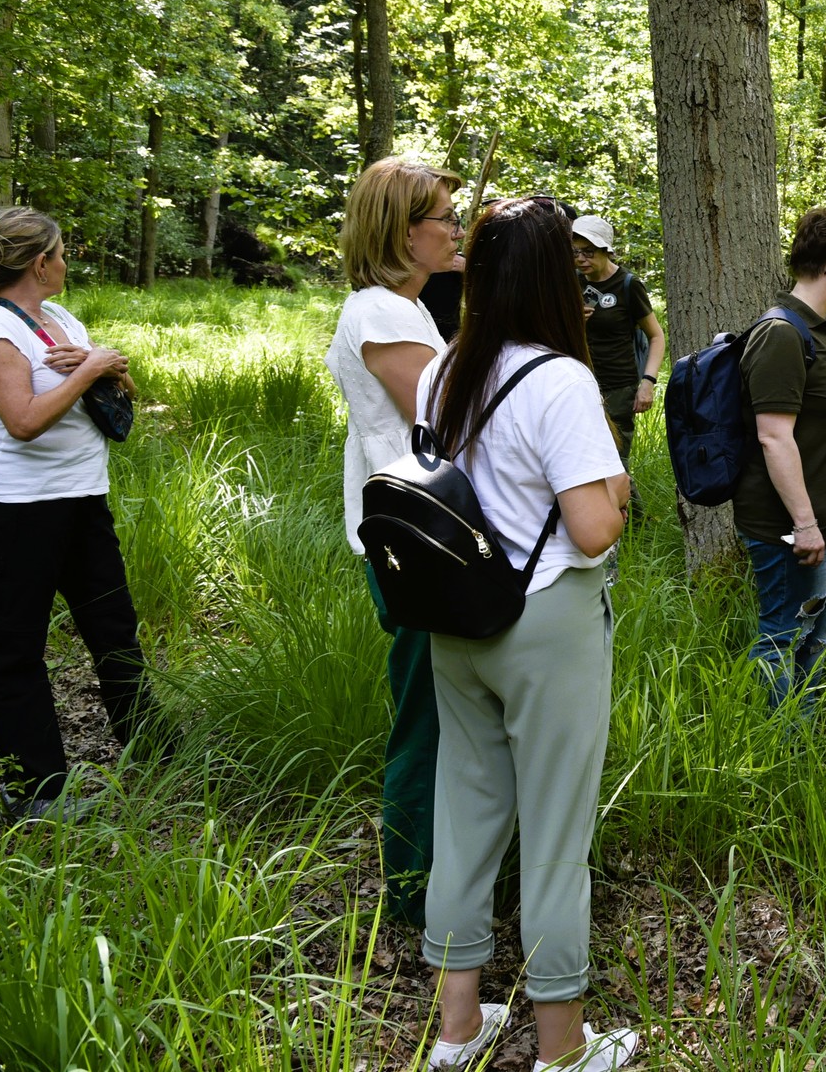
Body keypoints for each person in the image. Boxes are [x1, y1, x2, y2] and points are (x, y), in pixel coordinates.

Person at [415, 196, 635, 1072]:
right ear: (554, 278)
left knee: (464, 818)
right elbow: (591, 527)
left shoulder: (445, 367)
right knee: (555, 836)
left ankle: (457, 1033)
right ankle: (562, 1049)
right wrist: (616, 491)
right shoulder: (558, 379)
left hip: (456, 613)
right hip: (546, 619)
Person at [0, 206, 163, 823]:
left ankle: (156, 749)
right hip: (15, 510)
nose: (66, 264)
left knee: (114, 627)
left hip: (82, 497)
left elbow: (118, 391)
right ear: (39, 263)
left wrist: (106, 368)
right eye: (60, 255)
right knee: (13, 647)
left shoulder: (59, 317)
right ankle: (37, 792)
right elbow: (25, 421)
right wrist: (88, 367)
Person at [325, 159, 463, 926]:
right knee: (426, 715)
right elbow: (443, 423)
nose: (454, 230)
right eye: (443, 217)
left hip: (423, 534)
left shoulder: (405, 307)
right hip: (412, 543)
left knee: (445, 706)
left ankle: (448, 875)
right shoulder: (380, 312)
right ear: (404, 231)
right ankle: (414, 892)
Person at [736, 209, 826, 713]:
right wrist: (806, 523)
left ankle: (804, 738)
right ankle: (778, 744)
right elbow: (773, 437)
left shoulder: (823, 329)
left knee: (817, 634)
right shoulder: (781, 333)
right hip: (795, 531)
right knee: (783, 636)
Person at [571, 215, 666, 496]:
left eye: (588, 252)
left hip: (618, 387)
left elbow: (657, 336)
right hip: (579, 381)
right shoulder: (572, 282)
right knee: (584, 459)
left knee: (615, 463)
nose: (581, 259)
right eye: (575, 252)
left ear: (606, 250)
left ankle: (634, 524)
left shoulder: (628, 284)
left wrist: (647, 383)